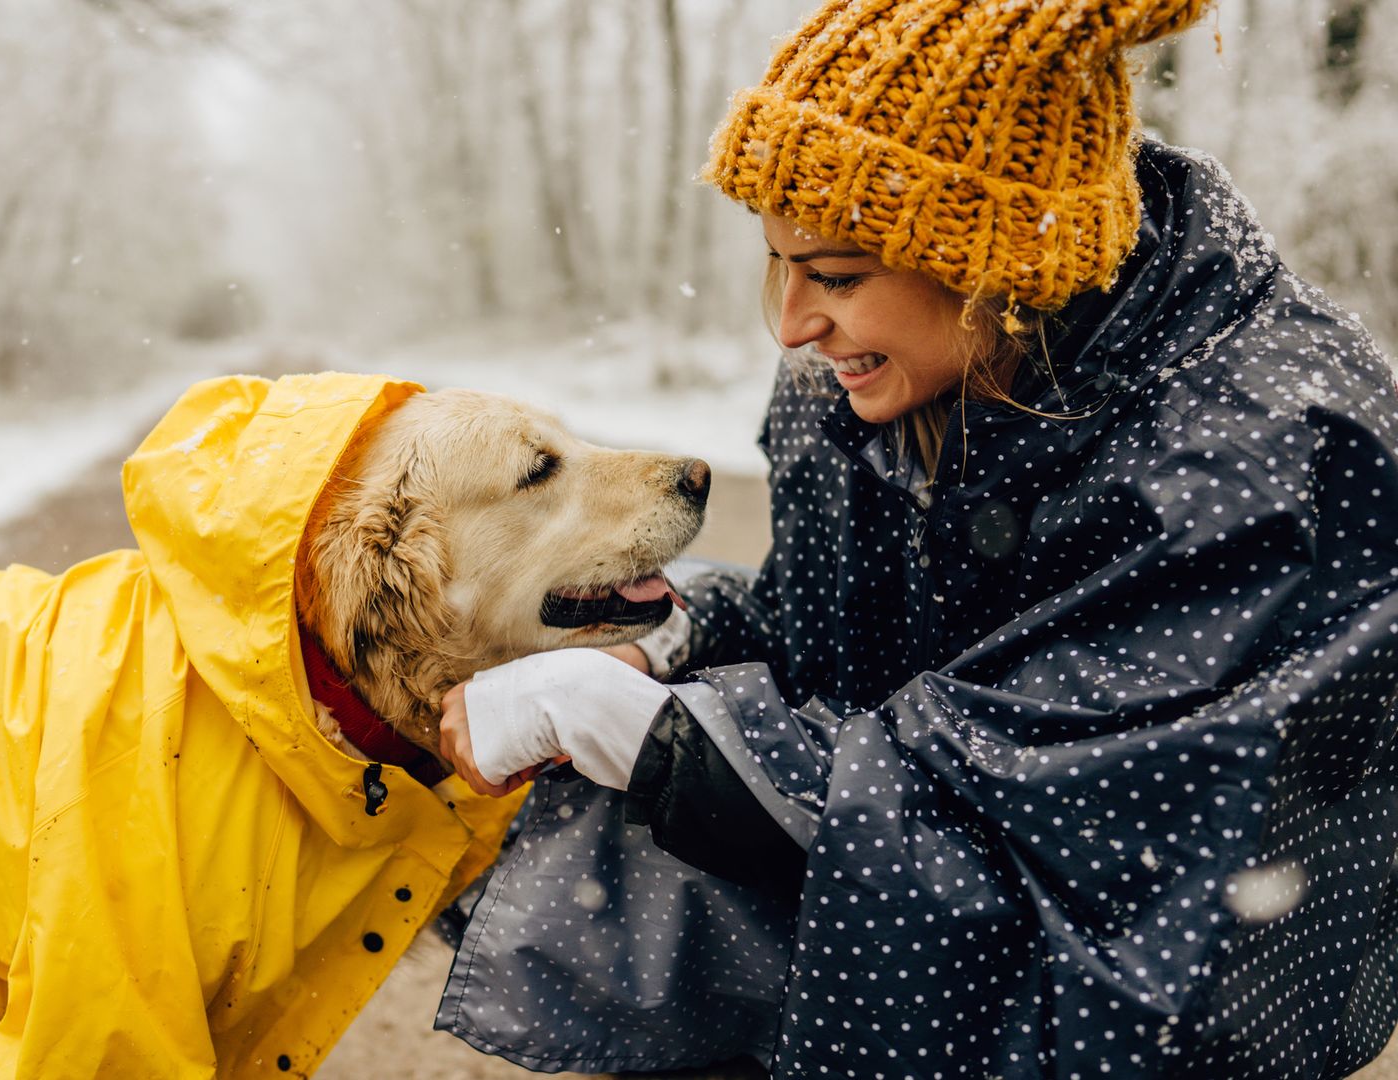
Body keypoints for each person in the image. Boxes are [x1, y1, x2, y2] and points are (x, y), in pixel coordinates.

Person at [436, 0, 1398, 1076]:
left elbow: (1121, 890)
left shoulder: (1267, 459)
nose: (794, 324)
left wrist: (684, 746)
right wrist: (672, 638)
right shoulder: (864, 384)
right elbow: (833, 643)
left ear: (1001, 263)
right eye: (777, 264)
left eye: (838, 277)